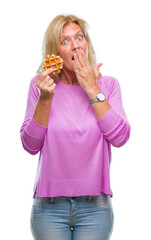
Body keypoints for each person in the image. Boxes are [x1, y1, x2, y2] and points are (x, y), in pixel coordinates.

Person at [20, 14, 131, 240]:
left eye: (79, 37)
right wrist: (45, 99)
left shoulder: (107, 85)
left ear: (87, 43)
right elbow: (30, 145)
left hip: (95, 208)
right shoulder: (40, 85)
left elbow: (120, 137)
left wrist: (91, 88)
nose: (75, 45)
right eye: (65, 41)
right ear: (55, 53)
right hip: (49, 208)